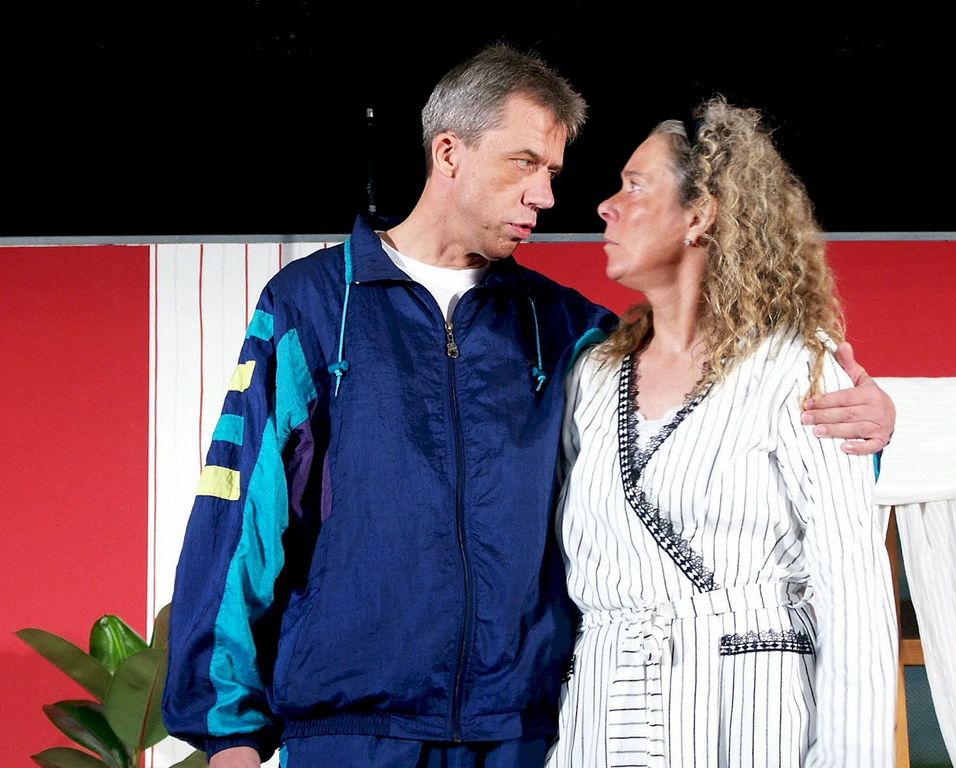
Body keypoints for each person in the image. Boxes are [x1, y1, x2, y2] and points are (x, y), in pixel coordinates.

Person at [163, 44, 895, 768]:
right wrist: (231, 737)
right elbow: (240, 518)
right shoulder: (314, 305)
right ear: (449, 152)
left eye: (552, 173)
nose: (544, 196)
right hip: (351, 731)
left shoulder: (574, 332)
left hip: (521, 733)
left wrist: (874, 422)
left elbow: (706, 414)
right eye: (524, 163)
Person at [545, 99, 898, 768]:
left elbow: (853, 589)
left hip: (748, 711)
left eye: (634, 186)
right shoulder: (593, 375)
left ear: (699, 215)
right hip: (603, 710)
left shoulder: (795, 367)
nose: (606, 206)